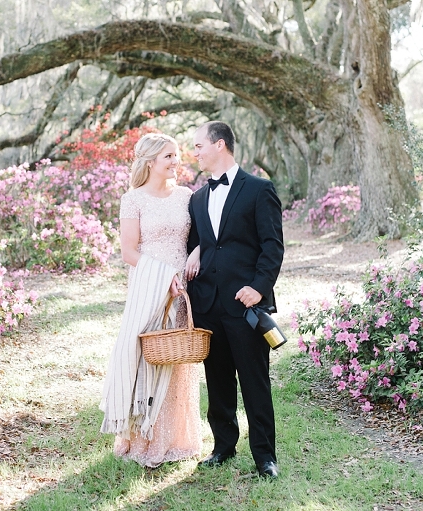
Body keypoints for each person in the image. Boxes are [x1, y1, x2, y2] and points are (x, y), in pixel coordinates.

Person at [184, 121, 284, 478]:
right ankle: (223, 446)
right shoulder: (197, 197)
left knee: (255, 382)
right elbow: (200, 241)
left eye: (198, 146)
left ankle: (265, 457)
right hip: (208, 303)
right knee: (218, 381)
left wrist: (259, 287)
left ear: (220, 144)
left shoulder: (259, 189)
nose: (194, 152)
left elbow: (272, 245)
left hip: (246, 304)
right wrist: (195, 251)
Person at [99, 132, 202, 468]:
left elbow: (203, 237)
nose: (176, 162)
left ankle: (178, 437)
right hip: (150, 284)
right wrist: (163, 278)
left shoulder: (187, 196)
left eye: (176, 155)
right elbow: (129, 252)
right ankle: (144, 439)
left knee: (178, 353)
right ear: (150, 162)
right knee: (149, 356)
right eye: (168, 157)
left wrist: (195, 255)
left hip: (183, 286)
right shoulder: (133, 199)